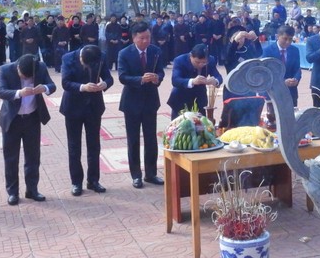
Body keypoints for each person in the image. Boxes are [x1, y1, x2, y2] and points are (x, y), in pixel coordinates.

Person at [0, 54, 57, 205]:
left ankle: (32, 189)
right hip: (12, 119)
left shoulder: (40, 67)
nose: (25, 78)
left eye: (28, 77)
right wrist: (19, 93)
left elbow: (52, 85)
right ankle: (12, 192)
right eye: (23, 76)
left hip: (32, 118)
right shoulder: (5, 70)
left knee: (33, 156)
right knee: (11, 157)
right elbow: (1, 91)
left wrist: (44, 88)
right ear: (17, 67)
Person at [60, 44, 113, 196]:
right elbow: (65, 82)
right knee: (74, 146)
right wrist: (83, 87)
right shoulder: (68, 58)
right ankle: (76, 182)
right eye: (85, 64)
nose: (87, 67)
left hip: (94, 107)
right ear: (81, 57)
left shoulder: (100, 56)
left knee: (94, 145)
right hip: (73, 107)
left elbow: (108, 77)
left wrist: (104, 84)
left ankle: (93, 180)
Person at [118, 22, 164, 189]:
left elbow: (161, 71)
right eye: (142, 38)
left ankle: (151, 174)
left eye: (148, 38)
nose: (146, 41)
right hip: (131, 102)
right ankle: (136, 175)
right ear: (134, 38)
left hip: (150, 100)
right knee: (133, 139)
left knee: (151, 138)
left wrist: (157, 77)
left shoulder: (155, 51)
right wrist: (140, 79)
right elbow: (122, 76)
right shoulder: (124, 53)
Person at [167, 43, 222, 119]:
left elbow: (218, 77)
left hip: (200, 98)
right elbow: (175, 80)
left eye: (204, 62)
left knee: (201, 126)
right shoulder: (180, 60)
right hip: (181, 98)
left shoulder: (211, 60)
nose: (201, 65)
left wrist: (215, 81)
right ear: (191, 56)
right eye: (197, 62)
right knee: (179, 127)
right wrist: (192, 81)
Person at [261, 25, 302, 106]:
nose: (288, 42)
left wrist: (296, 79)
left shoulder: (295, 50)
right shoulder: (268, 51)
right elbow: (266, 73)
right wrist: (282, 82)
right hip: (273, 92)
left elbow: (297, 69)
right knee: (274, 118)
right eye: (285, 38)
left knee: (291, 117)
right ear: (277, 36)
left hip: (291, 92)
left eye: (290, 39)